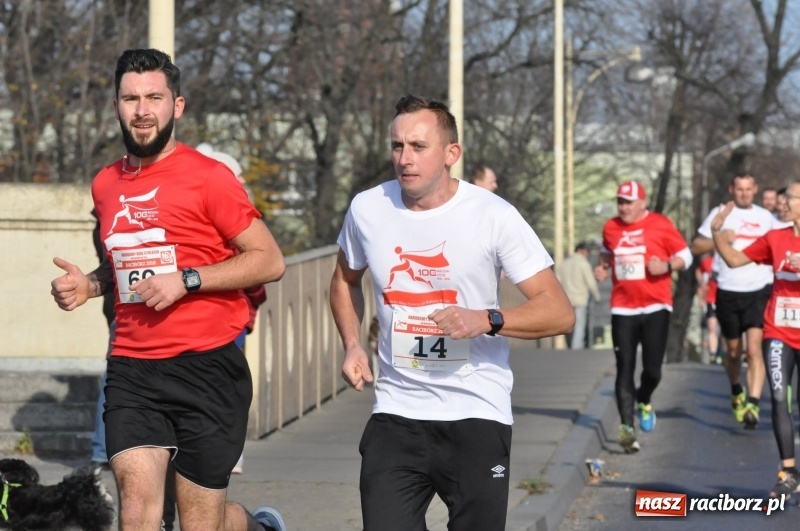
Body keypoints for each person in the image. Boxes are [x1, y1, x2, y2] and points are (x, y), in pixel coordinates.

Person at [49, 49, 287, 531]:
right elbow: (124, 265)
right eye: (131, 98)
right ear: (116, 105)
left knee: (201, 522)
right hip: (134, 369)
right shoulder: (106, 184)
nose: (142, 110)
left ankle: (256, 527)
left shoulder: (210, 178)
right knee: (136, 513)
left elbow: (270, 260)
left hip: (209, 368)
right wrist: (91, 286)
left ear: (176, 106)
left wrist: (189, 279)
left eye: (154, 97)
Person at [329, 94, 574, 531]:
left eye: (419, 147)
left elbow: (558, 312)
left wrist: (488, 319)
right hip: (397, 410)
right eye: (397, 146)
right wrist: (352, 346)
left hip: (476, 412)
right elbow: (344, 280)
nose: (405, 159)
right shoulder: (368, 209)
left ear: (451, 154)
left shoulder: (493, 216)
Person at [709, 182, 800, 500]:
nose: (783, 201)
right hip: (779, 331)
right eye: (784, 196)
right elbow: (734, 259)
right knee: (778, 398)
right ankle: (788, 472)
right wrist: (717, 232)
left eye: (790, 197)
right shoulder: (776, 237)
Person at [594, 180, 692, 453]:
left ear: (642, 203)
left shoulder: (660, 224)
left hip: (655, 306)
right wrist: (602, 266)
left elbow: (686, 255)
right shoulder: (611, 227)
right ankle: (627, 430)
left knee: (652, 369)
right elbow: (606, 249)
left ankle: (644, 399)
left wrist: (667, 266)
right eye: (620, 202)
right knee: (624, 365)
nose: (623, 207)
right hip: (623, 307)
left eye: (628, 202)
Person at [691, 174, 776, 430]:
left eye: (749, 189)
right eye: (739, 189)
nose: (744, 194)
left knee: (754, 349)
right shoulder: (720, 214)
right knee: (732, 352)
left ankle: (753, 401)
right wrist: (719, 239)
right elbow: (696, 246)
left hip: (759, 288)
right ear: (732, 189)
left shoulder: (765, 217)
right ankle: (736, 388)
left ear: (755, 189)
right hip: (728, 289)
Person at [89, 208, 115, 470]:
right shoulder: (110, 218)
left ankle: (100, 449)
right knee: (116, 372)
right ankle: (101, 448)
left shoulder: (104, 219)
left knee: (114, 371)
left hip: (116, 304)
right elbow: (114, 263)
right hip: (122, 305)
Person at [556, 241, 601, 349]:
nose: (587, 254)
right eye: (587, 252)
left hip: (566, 299)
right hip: (580, 298)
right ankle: (576, 348)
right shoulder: (584, 264)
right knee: (580, 324)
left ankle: (570, 345)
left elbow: (557, 281)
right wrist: (597, 296)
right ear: (580, 251)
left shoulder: (564, 263)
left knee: (568, 324)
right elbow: (590, 282)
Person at [696, 253, 723, 365]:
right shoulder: (707, 261)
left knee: (726, 330)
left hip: (727, 298)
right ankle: (713, 355)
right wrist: (702, 289)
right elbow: (699, 272)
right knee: (712, 327)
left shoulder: (732, 258)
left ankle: (723, 354)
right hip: (711, 299)